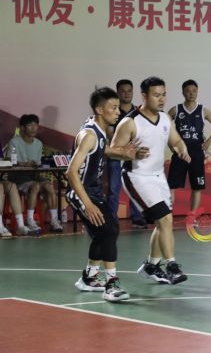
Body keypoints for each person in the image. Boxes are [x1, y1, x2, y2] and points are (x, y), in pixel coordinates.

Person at [66, 87, 145, 301]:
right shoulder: (89, 135)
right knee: (110, 229)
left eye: (118, 107)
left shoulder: (98, 131)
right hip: (82, 194)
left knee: (104, 232)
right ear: (100, 110)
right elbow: (71, 172)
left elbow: (103, 150)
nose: (118, 112)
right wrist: (88, 204)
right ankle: (111, 284)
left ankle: (90, 277)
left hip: (93, 192)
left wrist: (124, 153)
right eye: (113, 108)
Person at [111, 76, 191, 285]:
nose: (161, 99)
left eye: (164, 95)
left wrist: (181, 149)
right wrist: (130, 153)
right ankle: (171, 265)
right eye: (156, 95)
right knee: (164, 219)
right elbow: (111, 151)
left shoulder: (165, 119)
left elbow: (175, 140)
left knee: (164, 221)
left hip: (158, 176)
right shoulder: (130, 122)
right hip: (136, 177)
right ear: (144, 96)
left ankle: (151, 265)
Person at [167, 79, 211, 213]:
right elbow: (164, 127)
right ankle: (167, 216)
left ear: (197, 92)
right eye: (188, 91)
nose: (191, 93)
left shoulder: (203, 110)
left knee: (197, 187)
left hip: (197, 153)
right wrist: (171, 145)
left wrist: (209, 142)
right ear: (183, 92)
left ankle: (192, 217)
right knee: (171, 186)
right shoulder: (175, 110)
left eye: (194, 91)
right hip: (180, 153)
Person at [5, 114, 63, 233]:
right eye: (30, 125)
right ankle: (30, 220)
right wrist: (25, 164)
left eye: (36, 125)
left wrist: (39, 164)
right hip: (18, 178)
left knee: (49, 186)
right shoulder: (14, 142)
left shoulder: (38, 143)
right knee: (35, 185)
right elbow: (10, 162)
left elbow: (38, 162)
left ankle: (54, 221)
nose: (34, 128)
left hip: (34, 175)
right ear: (22, 128)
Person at [106, 79, 146, 228]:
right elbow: (109, 132)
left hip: (134, 156)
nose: (126, 94)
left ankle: (137, 218)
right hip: (116, 155)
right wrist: (123, 147)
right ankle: (112, 220)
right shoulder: (113, 111)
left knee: (135, 188)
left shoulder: (139, 111)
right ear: (117, 92)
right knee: (113, 189)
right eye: (123, 91)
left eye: (129, 91)